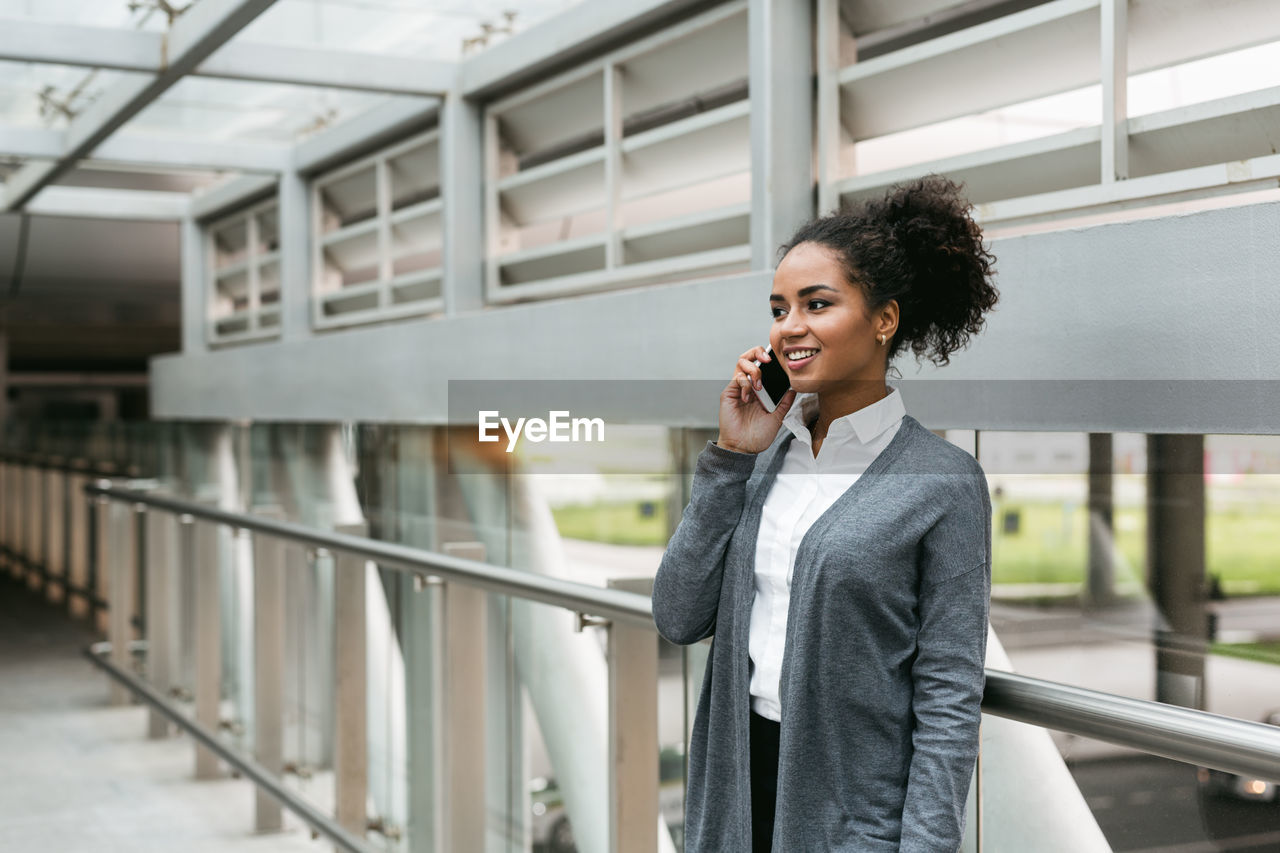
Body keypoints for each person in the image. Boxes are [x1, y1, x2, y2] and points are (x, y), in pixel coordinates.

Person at [652, 175, 1000, 852]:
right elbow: (677, 613)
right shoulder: (762, 460)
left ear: (883, 319)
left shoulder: (944, 482)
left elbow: (949, 700)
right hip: (734, 800)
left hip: (851, 821)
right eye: (779, 308)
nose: (790, 328)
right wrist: (731, 456)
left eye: (817, 304)